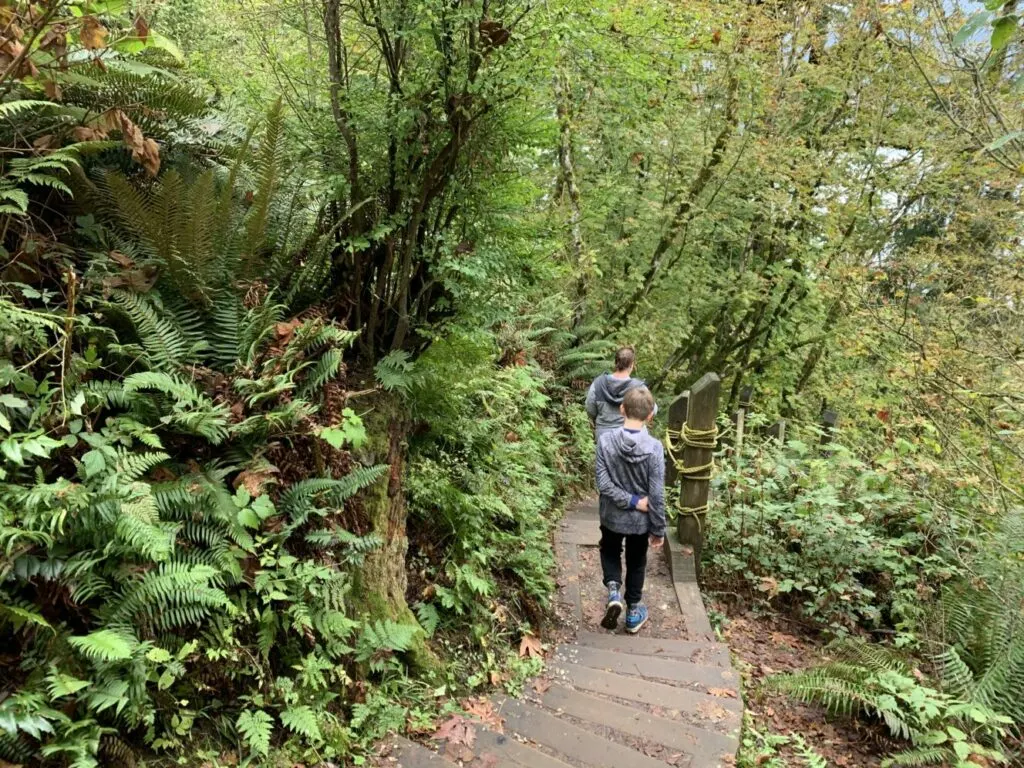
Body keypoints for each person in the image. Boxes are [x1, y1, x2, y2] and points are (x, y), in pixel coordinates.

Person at [595, 386, 666, 634]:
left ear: (622, 409)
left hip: (612, 515)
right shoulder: (655, 448)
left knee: (610, 550)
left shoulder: (605, 441)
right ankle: (633, 611)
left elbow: (603, 484)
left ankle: (614, 590)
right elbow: (656, 493)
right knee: (637, 561)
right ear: (650, 416)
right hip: (640, 521)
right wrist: (658, 527)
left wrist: (628, 500)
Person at [585, 347, 657, 439]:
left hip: (604, 436)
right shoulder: (639, 388)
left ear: (615, 363)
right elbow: (653, 410)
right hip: (633, 436)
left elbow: (590, 409)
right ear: (631, 365)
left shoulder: (598, 384)